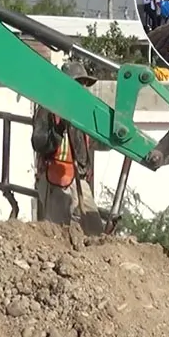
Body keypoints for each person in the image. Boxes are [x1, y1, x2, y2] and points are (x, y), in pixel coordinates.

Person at [30, 61, 106, 236]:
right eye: (79, 83)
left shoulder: (84, 111)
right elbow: (39, 143)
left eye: (84, 84)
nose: (82, 87)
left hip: (78, 176)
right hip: (54, 177)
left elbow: (91, 143)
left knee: (93, 228)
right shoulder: (48, 108)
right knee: (58, 231)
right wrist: (58, 128)